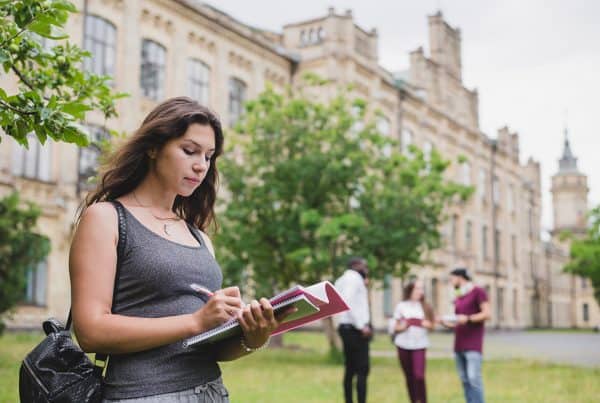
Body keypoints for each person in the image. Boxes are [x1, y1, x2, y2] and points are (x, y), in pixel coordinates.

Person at [69, 97, 294, 402]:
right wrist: (195, 321)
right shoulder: (107, 218)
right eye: (189, 151)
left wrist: (253, 336)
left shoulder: (199, 237)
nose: (201, 165)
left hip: (211, 393)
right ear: (153, 147)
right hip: (143, 396)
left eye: (209, 156)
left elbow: (207, 346)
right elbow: (91, 331)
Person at [440, 268, 491, 403]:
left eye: (452, 278)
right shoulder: (459, 296)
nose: (451, 282)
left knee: (474, 379)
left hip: (473, 344)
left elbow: (487, 314)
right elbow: (458, 321)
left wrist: (468, 318)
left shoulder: (478, 292)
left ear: (460, 277)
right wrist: (446, 323)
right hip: (459, 344)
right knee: (465, 380)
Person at [389, 280, 434, 403]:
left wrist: (424, 324)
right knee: (409, 376)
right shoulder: (401, 306)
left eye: (421, 288)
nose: (420, 291)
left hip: (420, 344)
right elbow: (394, 326)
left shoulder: (425, 306)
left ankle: (423, 400)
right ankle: (413, 400)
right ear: (410, 290)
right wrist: (404, 326)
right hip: (403, 344)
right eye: (417, 289)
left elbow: (432, 325)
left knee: (419, 375)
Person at [334, 257, 372, 403]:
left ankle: (348, 400)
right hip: (355, 329)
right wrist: (361, 326)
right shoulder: (354, 278)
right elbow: (348, 303)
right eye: (364, 266)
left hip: (345, 327)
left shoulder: (341, 280)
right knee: (362, 369)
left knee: (350, 368)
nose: (366, 270)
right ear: (356, 266)